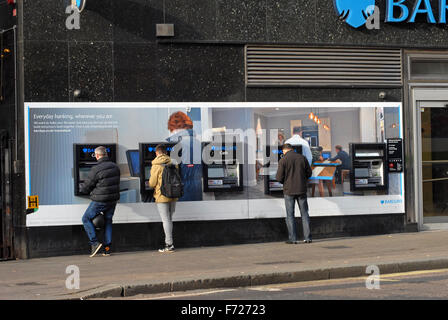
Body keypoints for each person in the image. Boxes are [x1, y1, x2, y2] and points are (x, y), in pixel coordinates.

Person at [80, 146, 120, 257]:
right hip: (113, 200)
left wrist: (82, 189)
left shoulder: (96, 169)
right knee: (108, 221)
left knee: (86, 218)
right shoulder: (115, 167)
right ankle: (107, 249)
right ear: (106, 154)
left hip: (100, 200)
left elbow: (86, 186)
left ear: (97, 155)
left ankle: (94, 243)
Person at [276, 143, 313, 244]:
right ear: (292, 149)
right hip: (301, 190)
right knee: (305, 214)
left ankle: (293, 239)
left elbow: (279, 178)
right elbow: (309, 173)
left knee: (290, 215)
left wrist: (285, 181)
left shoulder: (283, 160)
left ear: (284, 150)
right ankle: (308, 238)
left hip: (289, 191)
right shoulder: (302, 158)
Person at [166, 111, 203, 202]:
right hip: (197, 188)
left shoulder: (177, 145)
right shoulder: (199, 143)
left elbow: (170, 170)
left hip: (181, 189)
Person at [149, 144, 178, 253]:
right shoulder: (173, 162)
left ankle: (169, 244)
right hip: (173, 194)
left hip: (162, 196)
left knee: (165, 220)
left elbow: (152, 183)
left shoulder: (156, 164)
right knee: (169, 219)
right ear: (166, 152)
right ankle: (170, 243)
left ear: (157, 153)